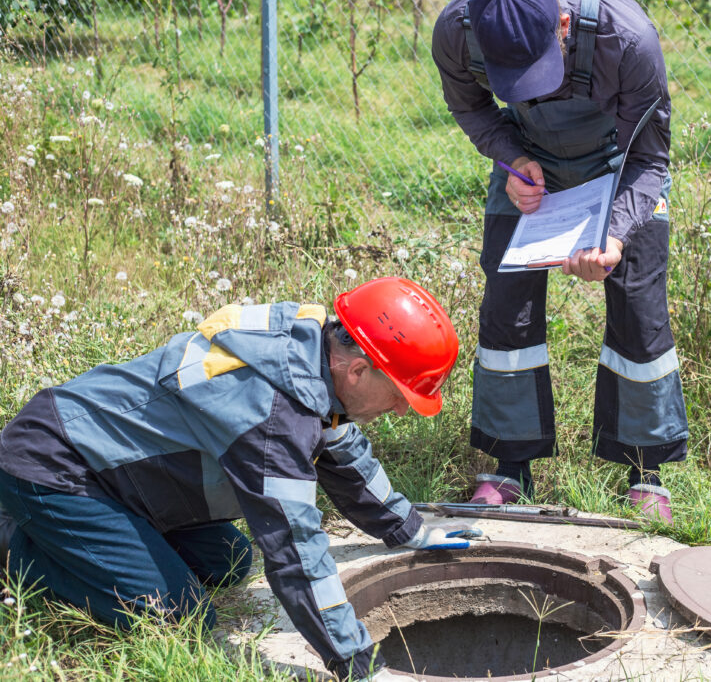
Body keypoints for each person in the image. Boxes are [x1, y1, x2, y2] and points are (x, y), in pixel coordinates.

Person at [0, 277, 476, 680]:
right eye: (398, 395)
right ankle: (11, 544)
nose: (398, 409)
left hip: (123, 474)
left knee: (231, 559)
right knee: (181, 617)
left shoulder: (311, 353)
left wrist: (409, 529)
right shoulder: (273, 417)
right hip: (57, 465)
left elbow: (342, 450)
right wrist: (356, 662)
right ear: (356, 371)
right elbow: (296, 549)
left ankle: (105, 540)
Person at [432, 0, 687, 521]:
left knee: (640, 306)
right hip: (531, 158)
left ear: (564, 25)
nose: (535, 89)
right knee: (507, 306)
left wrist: (614, 235)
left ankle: (645, 470)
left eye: (539, 70)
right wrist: (514, 159)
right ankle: (510, 461)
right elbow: (472, 110)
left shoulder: (628, 39)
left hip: (622, 162)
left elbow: (650, 158)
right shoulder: (456, 31)